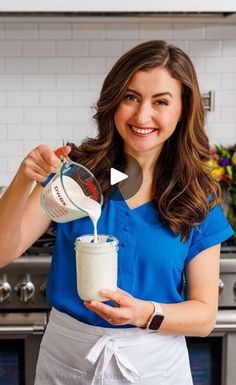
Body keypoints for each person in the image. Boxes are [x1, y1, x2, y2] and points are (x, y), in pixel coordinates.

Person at [0, 40, 234, 385]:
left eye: (160, 102)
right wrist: (25, 178)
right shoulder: (78, 176)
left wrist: (143, 313)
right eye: (131, 97)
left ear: (183, 109)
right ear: (113, 101)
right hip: (68, 364)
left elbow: (203, 316)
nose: (142, 116)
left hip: (155, 367)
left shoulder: (196, 195)